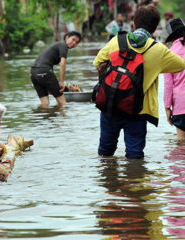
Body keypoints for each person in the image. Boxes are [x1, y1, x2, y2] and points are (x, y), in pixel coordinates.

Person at [93, 6, 185, 159]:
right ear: (155, 28)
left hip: (110, 104)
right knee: (135, 156)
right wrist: (155, 67)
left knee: (105, 153)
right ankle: (134, 180)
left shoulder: (117, 40)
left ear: (133, 23)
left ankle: (108, 180)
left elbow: (97, 62)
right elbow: (181, 65)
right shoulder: (159, 51)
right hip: (138, 109)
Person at [30, 31, 81, 107]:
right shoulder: (63, 45)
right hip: (44, 71)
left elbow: (47, 64)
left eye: (76, 42)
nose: (74, 43)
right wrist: (61, 82)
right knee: (63, 103)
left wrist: (49, 85)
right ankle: (64, 119)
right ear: (67, 37)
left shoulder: (57, 45)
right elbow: (63, 64)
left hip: (33, 73)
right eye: (73, 39)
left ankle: (42, 118)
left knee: (45, 103)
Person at [164, 18, 185, 140]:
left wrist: (167, 107)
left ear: (171, 38)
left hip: (181, 106)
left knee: (182, 146)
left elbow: (168, 85)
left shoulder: (170, 54)